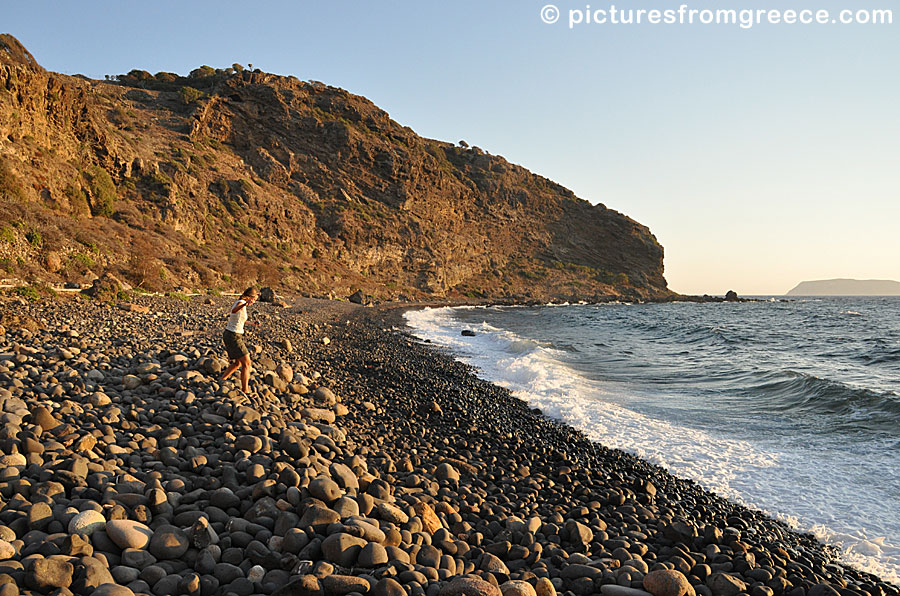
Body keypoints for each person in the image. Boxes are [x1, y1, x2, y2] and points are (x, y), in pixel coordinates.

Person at [219, 287, 259, 393]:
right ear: (249, 297)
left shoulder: (242, 304)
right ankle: (245, 390)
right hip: (233, 336)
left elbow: (240, 320)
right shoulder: (241, 302)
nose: (254, 302)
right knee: (247, 364)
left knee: (238, 363)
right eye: (254, 299)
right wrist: (245, 304)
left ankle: (222, 379)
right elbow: (234, 310)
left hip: (231, 335)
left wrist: (252, 323)